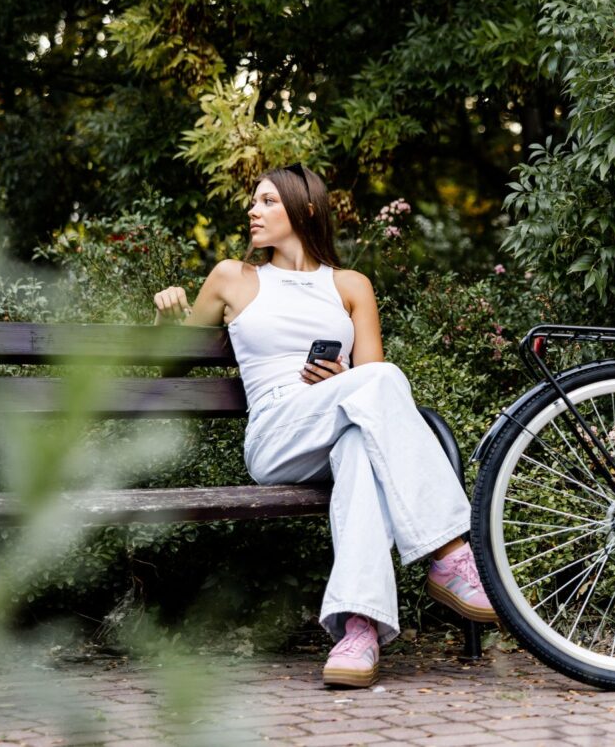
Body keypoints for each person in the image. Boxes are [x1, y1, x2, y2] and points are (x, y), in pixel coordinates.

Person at [152, 164, 496, 689]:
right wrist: (165, 320)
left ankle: (358, 628)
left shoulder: (351, 285)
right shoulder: (232, 277)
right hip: (276, 437)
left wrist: (342, 378)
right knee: (376, 386)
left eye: (268, 201)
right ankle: (451, 554)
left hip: (337, 425)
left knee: (361, 444)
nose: (253, 210)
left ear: (305, 209)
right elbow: (169, 367)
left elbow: (378, 389)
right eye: (254, 201)